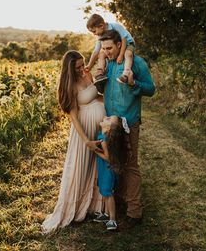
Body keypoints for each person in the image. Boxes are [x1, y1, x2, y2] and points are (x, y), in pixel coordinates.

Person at [42, 50, 105, 233]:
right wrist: (86, 141)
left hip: (98, 128)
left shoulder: (87, 74)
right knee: (81, 167)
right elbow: (74, 118)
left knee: (97, 166)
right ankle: (75, 206)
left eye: (82, 64)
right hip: (83, 132)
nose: (81, 69)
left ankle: (95, 205)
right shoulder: (68, 85)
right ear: (69, 68)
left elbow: (96, 96)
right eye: (77, 67)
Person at [99, 29, 155, 226]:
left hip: (129, 122)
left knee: (130, 165)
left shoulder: (136, 63)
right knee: (114, 161)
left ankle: (134, 212)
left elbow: (151, 89)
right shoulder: (106, 64)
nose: (106, 52)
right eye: (103, 48)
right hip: (110, 122)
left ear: (120, 45)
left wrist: (133, 83)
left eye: (109, 48)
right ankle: (120, 200)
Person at [93, 115, 129, 231]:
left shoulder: (104, 138)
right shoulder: (105, 136)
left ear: (109, 129)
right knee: (105, 191)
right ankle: (106, 214)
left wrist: (94, 149)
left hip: (108, 169)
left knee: (108, 194)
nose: (104, 117)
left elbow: (108, 158)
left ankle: (112, 219)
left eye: (108, 119)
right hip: (105, 168)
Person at [86, 13, 135, 84]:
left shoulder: (115, 26)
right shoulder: (101, 36)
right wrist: (90, 65)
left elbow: (124, 40)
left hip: (128, 43)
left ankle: (126, 74)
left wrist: (121, 55)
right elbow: (96, 51)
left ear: (101, 26)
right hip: (118, 46)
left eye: (94, 31)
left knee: (128, 54)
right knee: (101, 54)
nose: (94, 34)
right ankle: (100, 73)